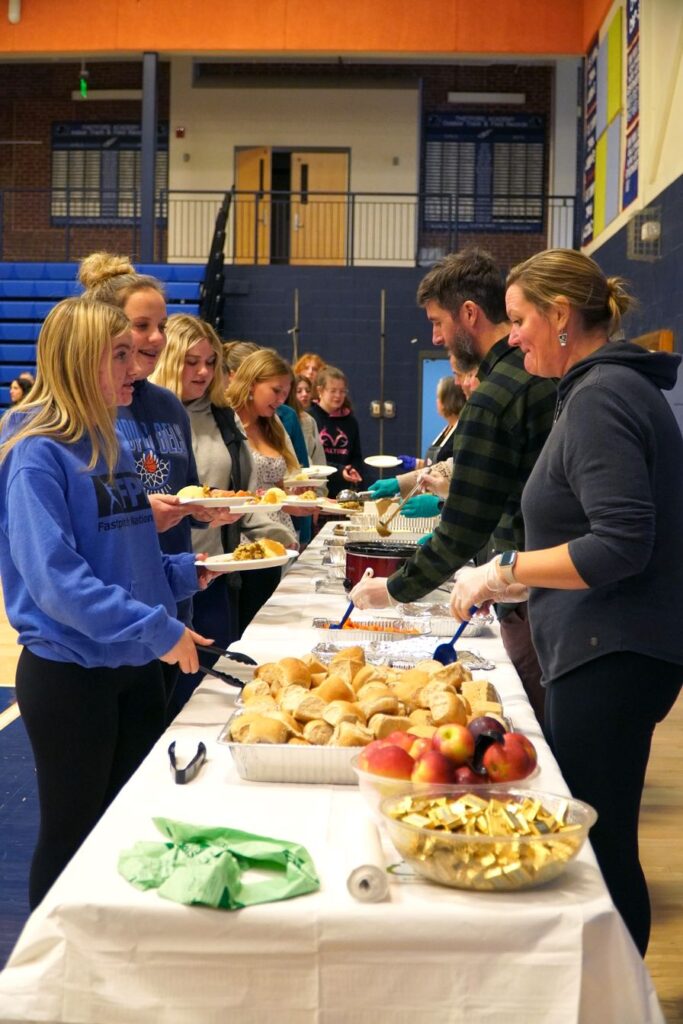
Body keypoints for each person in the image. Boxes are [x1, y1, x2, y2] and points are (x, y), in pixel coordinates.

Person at [450, 248, 683, 957]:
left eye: (518, 319)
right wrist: (519, 579)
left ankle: (617, 994)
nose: (512, 336)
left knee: (596, 851)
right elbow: (591, 538)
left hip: (608, 653)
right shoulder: (600, 389)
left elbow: (619, 544)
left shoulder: (601, 396)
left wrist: (503, 569)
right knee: (599, 840)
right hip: (608, 646)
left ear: (559, 317)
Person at [0, 297, 216, 908]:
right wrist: (156, 627)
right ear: (79, 361)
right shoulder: (37, 454)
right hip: (72, 676)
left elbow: (130, 558)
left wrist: (187, 573)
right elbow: (57, 583)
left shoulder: (110, 443)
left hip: (133, 668)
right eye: (120, 354)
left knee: (128, 833)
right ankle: (51, 962)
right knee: (72, 837)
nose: (137, 366)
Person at [350, 248, 557, 726]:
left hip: (533, 602)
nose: (435, 337)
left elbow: (464, 526)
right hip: (539, 589)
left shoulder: (499, 392)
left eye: (437, 323)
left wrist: (395, 589)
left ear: (469, 313)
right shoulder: (530, 378)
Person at [78, 253, 240, 707]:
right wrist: (139, 513)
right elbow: (77, 528)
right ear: (105, 328)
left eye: (161, 326)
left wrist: (205, 508)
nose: (156, 338)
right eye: (142, 325)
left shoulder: (169, 406)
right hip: (110, 616)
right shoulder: (87, 415)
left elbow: (185, 493)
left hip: (170, 598)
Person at [226, 348, 304, 629]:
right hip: (245, 540)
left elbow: (281, 484)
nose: (281, 399)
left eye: (285, 393)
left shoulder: (273, 423)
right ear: (251, 383)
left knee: (272, 620)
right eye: (275, 390)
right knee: (248, 621)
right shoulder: (227, 422)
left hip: (279, 537)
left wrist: (298, 501)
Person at [309, 365, 364, 497]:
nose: (338, 396)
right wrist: (339, 470)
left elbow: (356, 456)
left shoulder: (350, 421)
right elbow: (310, 458)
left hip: (343, 490)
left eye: (342, 391)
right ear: (320, 390)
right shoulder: (309, 418)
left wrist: (352, 470)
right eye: (333, 391)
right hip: (317, 487)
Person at [287, 373, 327, 466]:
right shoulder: (282, 418)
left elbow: (318, 456)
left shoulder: (309, 420)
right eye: (299, 391)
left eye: (308, 391)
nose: (304, 394)